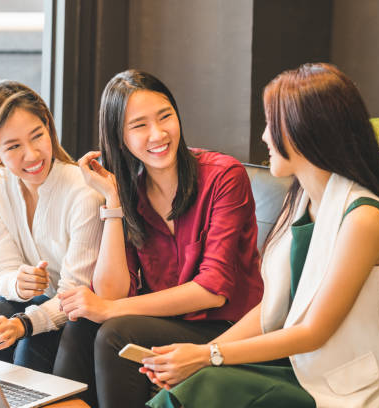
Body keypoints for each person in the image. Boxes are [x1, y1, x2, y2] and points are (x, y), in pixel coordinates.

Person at [143, 63, 379, 408]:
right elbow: (271, 309)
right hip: (297, 366)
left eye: (272, 125)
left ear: (307, 131)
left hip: (338, 382)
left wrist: (208, 355)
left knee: (203, 387)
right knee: (195, 385)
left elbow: (313, 331)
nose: (263, 137)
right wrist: (199, 356)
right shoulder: (302, 200)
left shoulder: (364, 218)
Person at [53, 69, 264, 407]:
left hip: (226, 328)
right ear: (120, 138)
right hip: (167, 323)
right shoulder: (131, 192)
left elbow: (212, 291)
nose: (158, 133)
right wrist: (113, 202)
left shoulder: (224, 176)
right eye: (139, 125)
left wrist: (109, 309)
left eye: (165, 116)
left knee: (115, 332)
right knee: (81, 325)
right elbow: (111, 291)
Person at [0, 80, 104, 373]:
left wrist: (25, 324)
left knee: (32, 340)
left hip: (82, 311)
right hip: (47, 301)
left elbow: (74, 294)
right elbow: (3, 271)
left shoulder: (84, 191)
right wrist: (18, 283)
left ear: (48, 127)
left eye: (37, 136)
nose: (31, 155)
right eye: (14, 146)